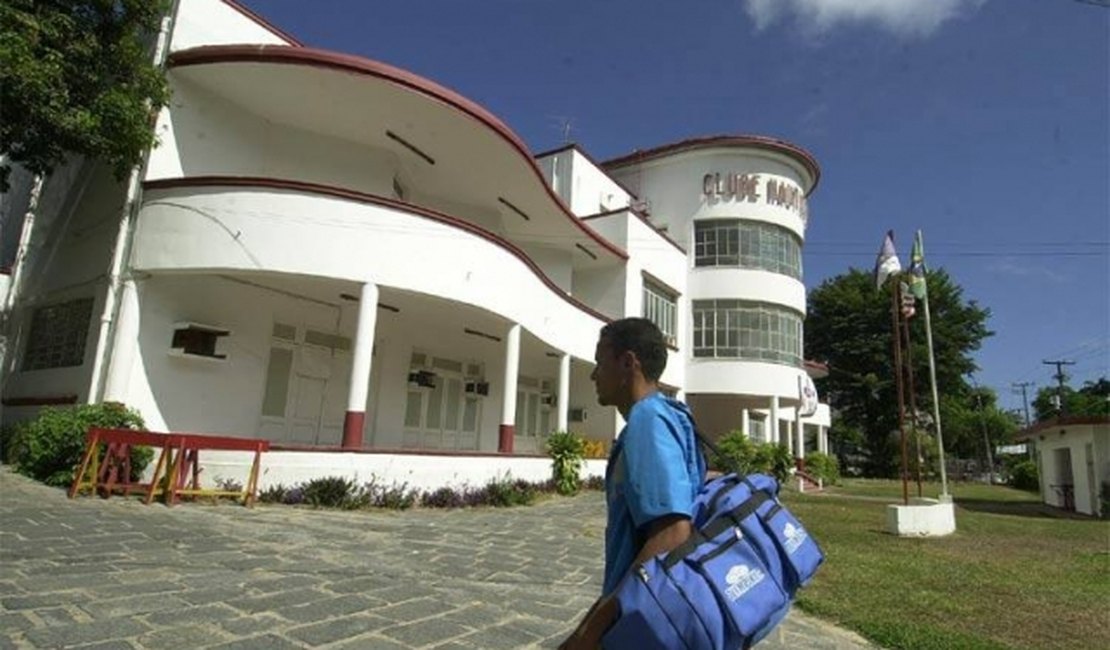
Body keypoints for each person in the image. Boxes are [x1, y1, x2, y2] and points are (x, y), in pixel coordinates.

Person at [559, 318, 706, 650]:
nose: (594, 374)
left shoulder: (648, 420)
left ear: (627, 363)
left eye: (599, 362)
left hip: (645, 620)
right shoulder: (672, 415)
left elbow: (672, 533)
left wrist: (591, 631)